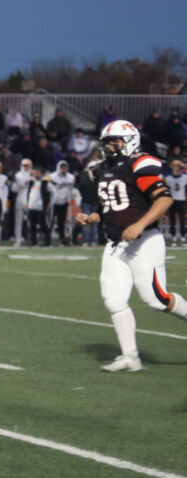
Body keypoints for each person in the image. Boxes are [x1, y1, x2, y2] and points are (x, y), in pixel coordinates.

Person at [82, 121, 187, 371]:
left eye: (115, 141)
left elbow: (164, 200)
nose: (110, 146)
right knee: (114, 300)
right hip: (116, 244)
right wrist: (92, 218)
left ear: (129, 140)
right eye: (107, 141)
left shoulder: (139, 164)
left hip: (145, 241)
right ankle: (130, 356)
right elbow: (109, 207)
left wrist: (139, 225)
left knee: (156, 299)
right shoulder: (103, 169)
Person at [46, 159, 76, 245]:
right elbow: (47, 186)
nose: (64, 169)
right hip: (54, 202)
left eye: (65, 167)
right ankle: (48, 239)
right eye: (62, 167)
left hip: (64, 202)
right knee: (50, 221)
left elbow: (71, 187)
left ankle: (63, 239)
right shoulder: (52, 176)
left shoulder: (70, 177)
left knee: (62, 222)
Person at [167, 159, 187, 246]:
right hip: (172, 201)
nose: (176, 170)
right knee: (172, 220)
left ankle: (183, 237)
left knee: (182, 220)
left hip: (181, 201)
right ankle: (173, 238)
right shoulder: (168, 178)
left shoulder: (185, 177)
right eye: (174, 169)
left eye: (178, 169)